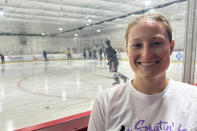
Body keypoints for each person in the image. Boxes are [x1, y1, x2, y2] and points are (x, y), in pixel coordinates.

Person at [88, 13, 197, 131]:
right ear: (128, 50)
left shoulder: (194, 98)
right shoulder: (105, 102)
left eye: (156, 43)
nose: (146, 54)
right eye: (137, 45)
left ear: (171, 48)